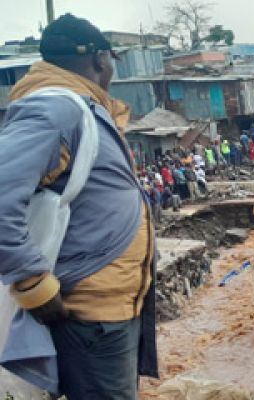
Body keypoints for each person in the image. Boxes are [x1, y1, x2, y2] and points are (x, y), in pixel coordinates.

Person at [0, 14, 158, 398]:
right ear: (102, 59)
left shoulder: (82, 108)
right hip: (90, 312)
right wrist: (33, 284)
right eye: (113, 62)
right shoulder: (56, 109)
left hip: (114, 304)